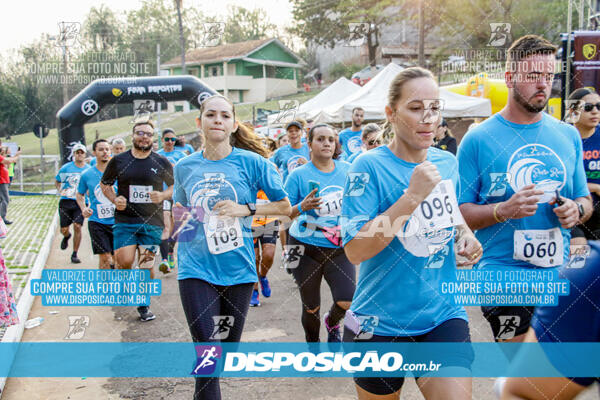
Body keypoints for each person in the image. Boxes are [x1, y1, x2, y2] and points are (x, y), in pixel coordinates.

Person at [342, 67, 482, 399]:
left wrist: (466, 236)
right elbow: (355, 250)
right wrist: (411, 196)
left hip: (441, 316)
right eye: (416, 108)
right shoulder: (368, 167)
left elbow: (451, 215)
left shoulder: (446, 162)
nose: (428, 118)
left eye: (434, 107)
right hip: (379, 324)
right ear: (391, 114)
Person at [457, 35, 592, 346]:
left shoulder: (567, 135)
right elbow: (460, 214)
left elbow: (585, 200)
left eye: (548, 76)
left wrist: (576, 210)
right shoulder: (478, 139)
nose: (543, 84)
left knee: (546, 383)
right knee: (524, 368)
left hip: (557, 275)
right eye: (533, 76)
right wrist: (503, 210)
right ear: (509, 78)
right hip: (501, 275)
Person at [172, 94, 290, 400]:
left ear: (233, 124)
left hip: (237, 270)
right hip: (195, 269)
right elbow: (183, 212)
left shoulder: (252, 163)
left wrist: (245, 209)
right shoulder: (184, 167)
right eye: (211, 115)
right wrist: (179, 251)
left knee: (226, 349)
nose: (218, 121)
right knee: (208, 355)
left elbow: (283, 206)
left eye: (225, 116)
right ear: (200, 123)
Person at [501, 241, 600, 400]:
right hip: (502, 282)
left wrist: (578, 214)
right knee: (518, 359)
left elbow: (579, 226)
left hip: (552, 277)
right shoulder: (594, 273)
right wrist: (497, 214)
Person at [285, 123, 355, 342]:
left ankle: (332, 322)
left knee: (347, 300)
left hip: (338, 246)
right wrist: (301, 207)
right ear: (310, 144)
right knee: (311, 306)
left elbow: (358, 205)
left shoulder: (348, 170)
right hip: (305, 246)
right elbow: (284, 213)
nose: (326, 143)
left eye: (331, 140)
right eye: (320, 139)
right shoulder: (298, 175)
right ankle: (313, 347)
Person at [101, 120, 173, 322]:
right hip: (125, 220)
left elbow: (174, 187)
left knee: (146, 264)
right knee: (124, 260)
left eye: (149, 134)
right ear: (132, 136)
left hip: (152, 221)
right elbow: (105, 184)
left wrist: (163, 195)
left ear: (153, 138)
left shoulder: (161, 162)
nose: (144, 137)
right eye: (140, 133)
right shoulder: (119, 161)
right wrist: (115, 199)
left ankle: (144, 304)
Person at [566, 88, 600, 243]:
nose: (595, 111)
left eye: (598, 107)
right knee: (578, 252)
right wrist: (592, 187)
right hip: (572, 210)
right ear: (573, 111)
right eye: (588, 107)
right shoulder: (562, 139)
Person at [76, 139, 115, 269]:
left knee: (116, 259)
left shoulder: (120, 172)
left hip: (118, 222)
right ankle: (105, 288)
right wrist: (83, 208)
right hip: (97, 222)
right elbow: (79, 194)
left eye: (107, 149)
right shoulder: (87, 175)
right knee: (105, 257)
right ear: (94, 153)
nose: (105, 152)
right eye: (101, 149)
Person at [157, 128, 187, 273]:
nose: (170, 142)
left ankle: (170, 251)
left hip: (178, 195)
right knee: (166, 226)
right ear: (162, 140)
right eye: (167, 139)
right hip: (163, 194)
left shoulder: (181, 156)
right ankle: (165, 260)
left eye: (172, 139)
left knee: (176, 228)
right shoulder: (156, 156)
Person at [55, 143, 89, 263]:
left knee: (77, 226)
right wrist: (60, 189)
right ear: (74, 154)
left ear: (85, 154)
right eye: (77, 152)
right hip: (66, 201)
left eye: (81, 153)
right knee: (64, 229)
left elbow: (91, 185)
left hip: (80, 203)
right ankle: (66, 236)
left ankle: (74, 253)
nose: (79, 155)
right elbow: (57, 180)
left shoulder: (88, 170)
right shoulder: (66, 168)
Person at [0, 141, 19, 224]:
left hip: (3, 180)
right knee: (5, 199)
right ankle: (2, 218)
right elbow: (9, 161)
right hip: (1, 181)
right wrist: (17, 155)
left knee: (2, 200)